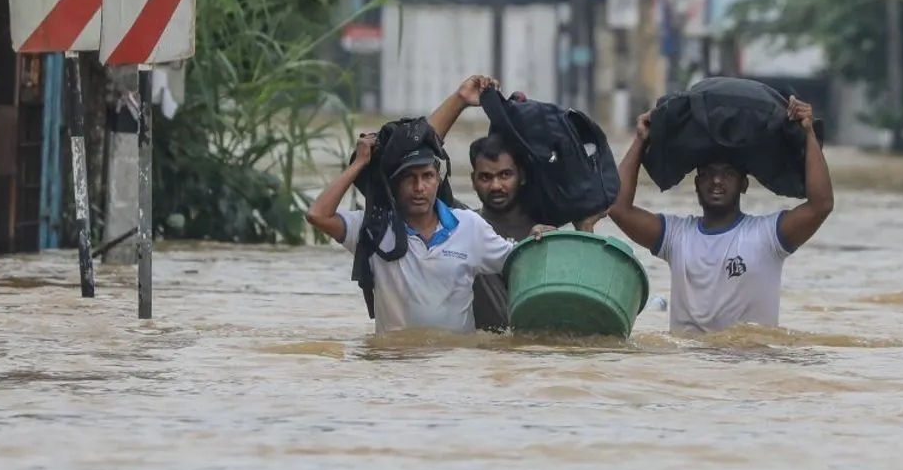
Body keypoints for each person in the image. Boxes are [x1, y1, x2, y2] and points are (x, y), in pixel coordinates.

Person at [608, 95, 834, 334]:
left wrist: (808, 133)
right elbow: (618, 208)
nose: (716, 181)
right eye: (707, 174)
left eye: (728, 174)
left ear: (744, 184)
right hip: (689, 362)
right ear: (696, 183)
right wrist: (640, 140)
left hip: (749, 362)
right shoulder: (676, 236)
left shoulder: (768, 236)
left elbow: (821, 205)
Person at [306, 133, 555, 334]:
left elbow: (522, 262)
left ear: (438, 179)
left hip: (453, 368)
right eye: (409, 178)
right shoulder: (374, 228)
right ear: (394, 184)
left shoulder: (469, 225)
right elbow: (318, 215)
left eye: (427, 176)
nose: (419, 188)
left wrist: (539, 235)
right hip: (393, 368)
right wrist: (360, 163)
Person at [426, 75, 606, 331]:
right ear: (474, 180)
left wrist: (584, 230)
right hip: (475, 359)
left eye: (505, 175)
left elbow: (588, 307)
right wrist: (460, 100)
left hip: (532, 357)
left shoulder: (546, 235)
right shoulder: (462, 224)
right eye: (486, 177)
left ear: (521, 176)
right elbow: (417, 154)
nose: (496, 186)